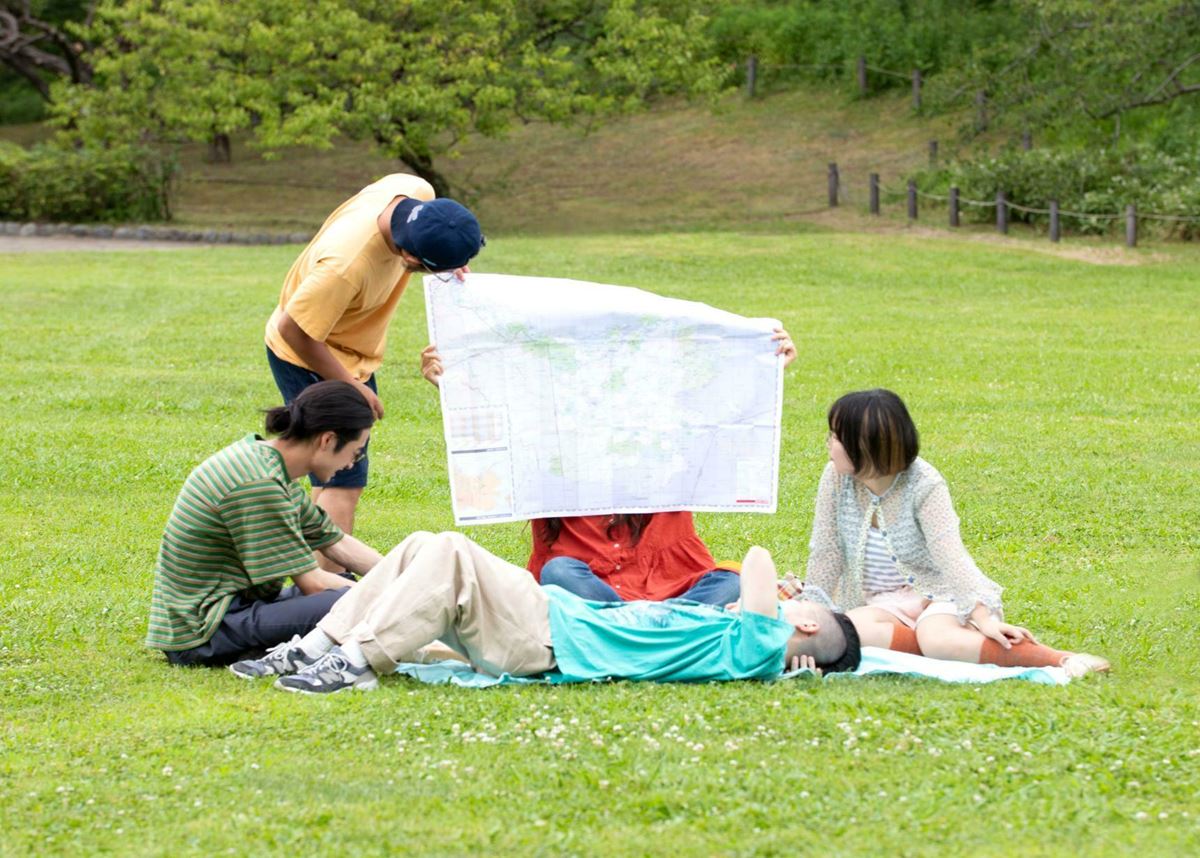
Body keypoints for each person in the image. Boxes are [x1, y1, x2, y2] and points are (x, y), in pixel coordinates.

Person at [422, 329, 800, 606]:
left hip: (671, 587)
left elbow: (723, 424)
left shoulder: (668, 448)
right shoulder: (552, 454)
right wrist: (450, 386)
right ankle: (660, 628)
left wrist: (767, 368)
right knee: (558, 573)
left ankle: (630, 628)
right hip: (591, 587)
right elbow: (501, 437)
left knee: (733, 579)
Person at [229, 531, 862, 694]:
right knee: (425, 545)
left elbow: (756, 560)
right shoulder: (742, 650)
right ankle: (318, 645)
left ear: (802, 624)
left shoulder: (754, 646)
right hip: (548, 624)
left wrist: (780, 598)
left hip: (545, 635)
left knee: (449, 551)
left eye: (799, 607)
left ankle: (357, 660)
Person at [804, 388, 1109, 676]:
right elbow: (826, 553)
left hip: (937, 595)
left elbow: (949, 554)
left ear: (865, 445)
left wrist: (982, 618)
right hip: (880, 604)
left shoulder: (924, 483)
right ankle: (935, 647)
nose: (829, 443)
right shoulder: (835, 478)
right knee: (851, 631)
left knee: (939, 639)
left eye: (836, 436)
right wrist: (809, 616)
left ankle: (1061, 659)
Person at [265, 174, 484, 556]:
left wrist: (449, 259)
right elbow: (293, 330)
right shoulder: (345, 266)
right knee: (344, 476)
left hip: (349, 348)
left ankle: (313, 574)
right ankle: (331, 583)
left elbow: (436, 226)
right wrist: (351, 385)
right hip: (308, 352)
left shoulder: (412, 189)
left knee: (330, 475)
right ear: (410, 257)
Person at [146, 381, 385, 668]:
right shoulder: (259, 484)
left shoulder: (266, 461)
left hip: (234, 610)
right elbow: (313, 584)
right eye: (356, 452)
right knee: (346, 601)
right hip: (202, 635)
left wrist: (403, 579)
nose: (351, 464)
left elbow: (334, 541)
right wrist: (389, 597)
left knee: (349, 592)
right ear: (327, 440)